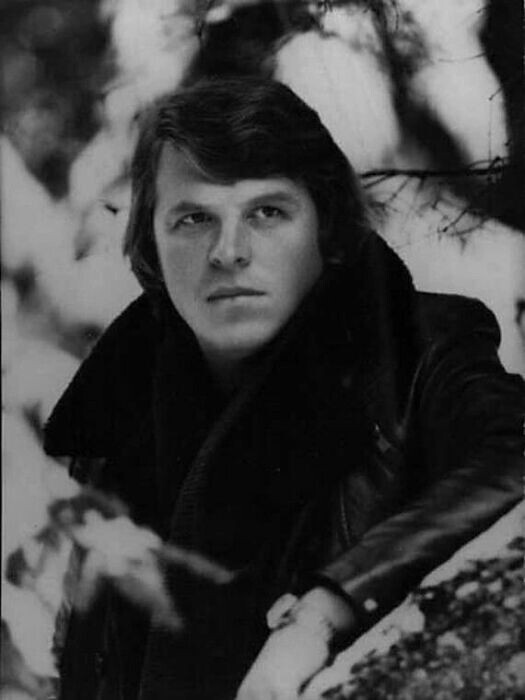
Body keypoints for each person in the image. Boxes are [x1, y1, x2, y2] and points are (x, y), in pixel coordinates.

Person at [44, 77, 524, 700]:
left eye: (267, 212)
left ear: (326, 230)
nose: (228, 252)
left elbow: (515, 453)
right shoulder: (117, 410)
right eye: (193, 218)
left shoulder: (419, 348)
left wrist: (324, 611)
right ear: (150, 244)